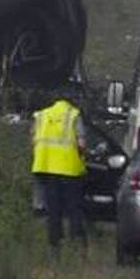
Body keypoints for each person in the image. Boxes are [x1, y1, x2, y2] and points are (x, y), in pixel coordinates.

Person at [31, 98, 87, 249]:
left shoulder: (42, 115)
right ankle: (77, 242)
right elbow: (81, 144)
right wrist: (81, 155)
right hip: (69, 169)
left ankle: (54, 244)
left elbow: (33, 141)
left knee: (53, 210)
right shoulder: (74, 115)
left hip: (46, 168)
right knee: (74, 208)